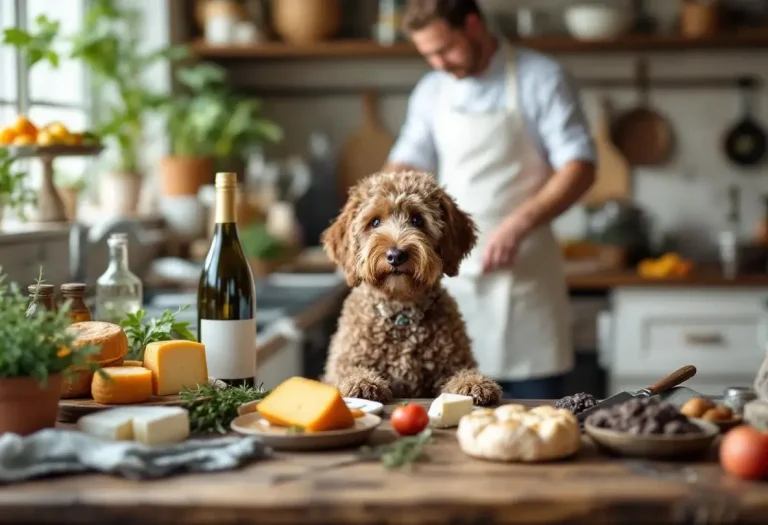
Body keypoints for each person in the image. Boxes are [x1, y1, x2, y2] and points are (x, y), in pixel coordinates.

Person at [383, 0, 597, 400]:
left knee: (534, 412)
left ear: (473, 25)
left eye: (445, 49)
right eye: (428, 54)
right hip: (455, 280)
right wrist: (374, 208)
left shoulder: (542, 78)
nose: (439, 63)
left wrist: (518, 223)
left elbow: (579, 166)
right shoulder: (432, 90)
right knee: (453, 412)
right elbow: (407, 161)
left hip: (525, 280)